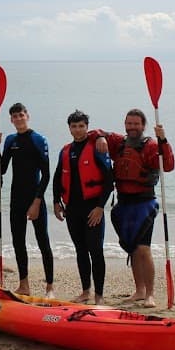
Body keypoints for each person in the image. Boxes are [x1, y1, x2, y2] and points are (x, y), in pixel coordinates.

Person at [95, 109, 174, 308]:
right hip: (123, 203)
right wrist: (102, 137)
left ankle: (150, 294)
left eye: (136, 124)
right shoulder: (118, 143)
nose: (132, 127)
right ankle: (139, 291)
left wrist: (164, 140)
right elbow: (94, 132)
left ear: (143, 125)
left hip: (144, 203)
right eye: (129, 123)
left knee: (143, 249)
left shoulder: (151, 146)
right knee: (131, 248)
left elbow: (169, 165)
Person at [0, 103, 55, 297]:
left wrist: (37, 201)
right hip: (16, 198)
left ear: (27, 115)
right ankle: (24, 284)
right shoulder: (10, 140)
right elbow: (1, 170)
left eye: (21, 115)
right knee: (18, 242)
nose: (18, 119)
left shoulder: (38, 139)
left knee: (43, 241)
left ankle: (50, 287)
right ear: (11, 120)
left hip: (34, 197)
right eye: (15, 116)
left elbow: (46, 175)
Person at [53, 110, 114, 304]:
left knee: (95, 250)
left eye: (81, 126)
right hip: (72, 209)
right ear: (69, 128)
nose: (78, 129)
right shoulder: (65, 150)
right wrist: (56, 202)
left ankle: (99, 295)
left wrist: (99, 207)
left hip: (92, 209)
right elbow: (56, 178)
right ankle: (86, 291)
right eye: (74, 126)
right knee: (80, 250)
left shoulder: (96, 147)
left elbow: (108, 180)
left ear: (87, 127)